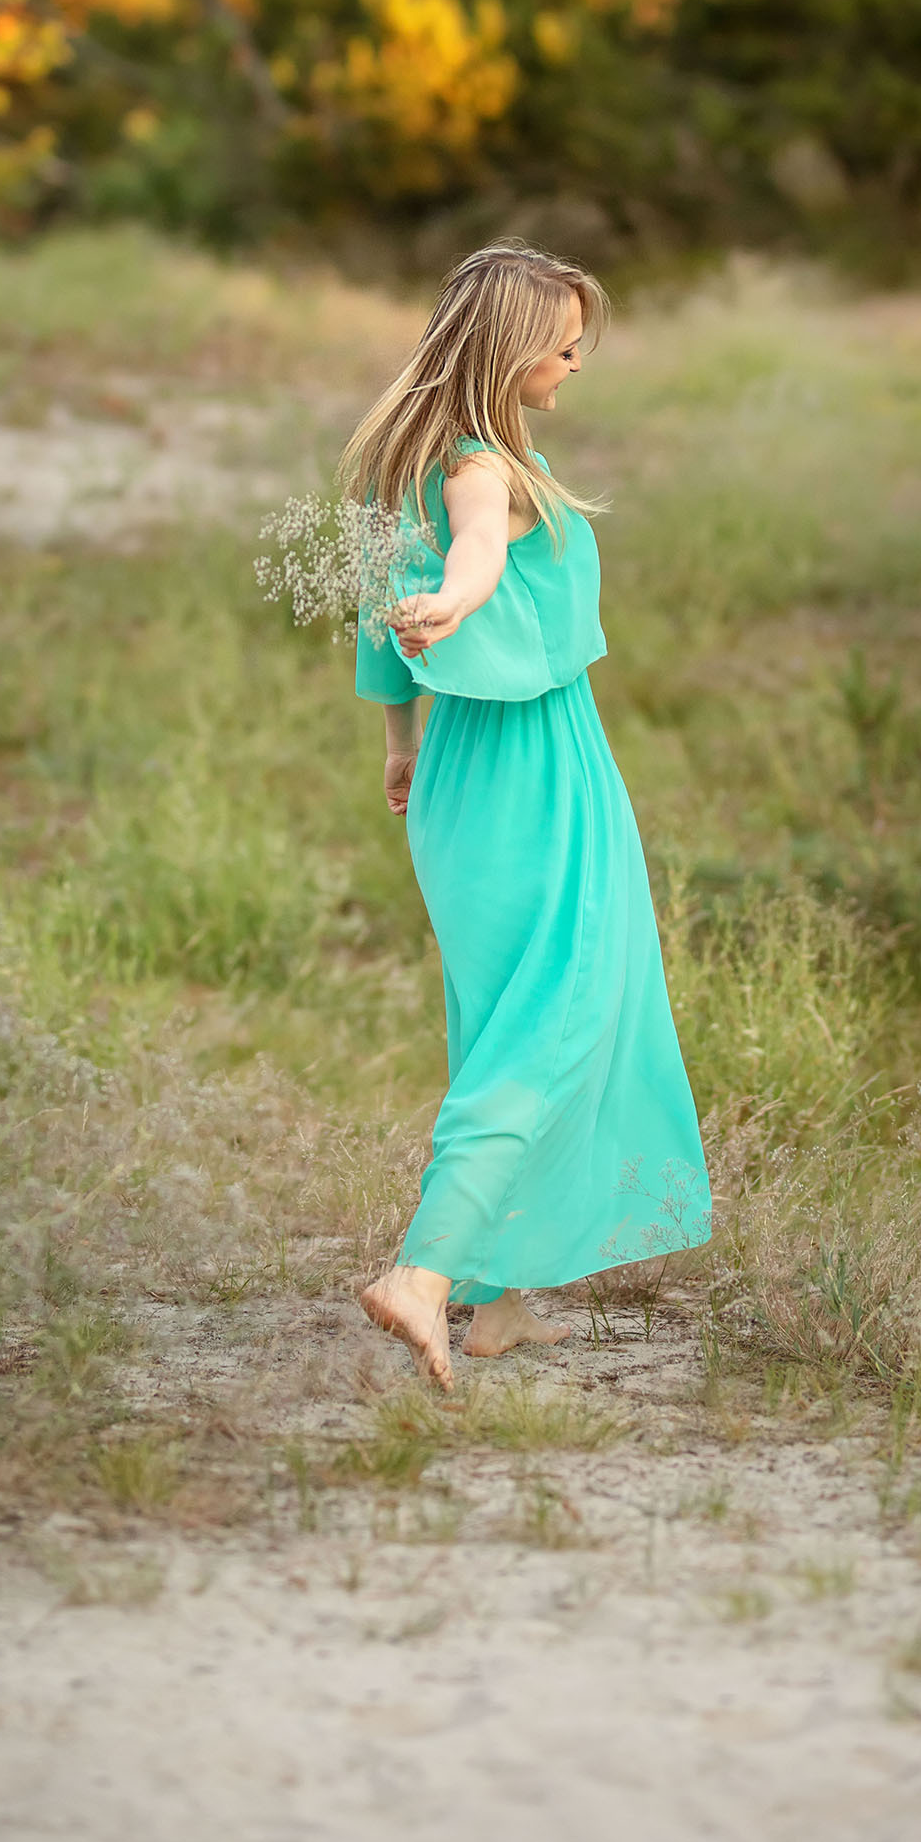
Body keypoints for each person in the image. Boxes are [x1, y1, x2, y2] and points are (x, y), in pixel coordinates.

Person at [343, 240, 711, 1389]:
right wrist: (452, 604)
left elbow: (380, 627)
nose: (574, 363)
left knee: (503, 1011)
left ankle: (497, 1305)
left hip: (454, 769)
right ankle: (426, 1271)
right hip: (534, 763)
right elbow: (475, 563)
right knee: (558, 1011)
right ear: (509, 351)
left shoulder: (396, 463)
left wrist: (401, 748)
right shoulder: (478, 468)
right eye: (562, 346)